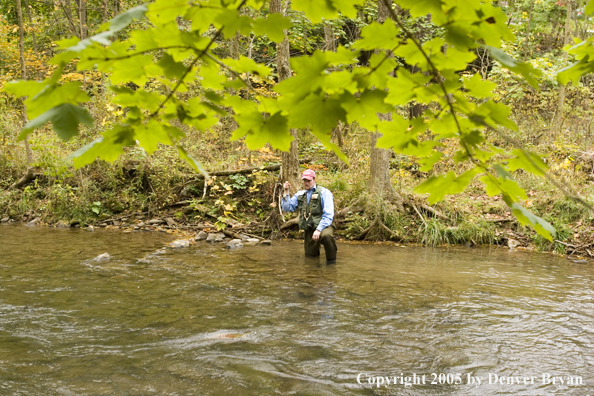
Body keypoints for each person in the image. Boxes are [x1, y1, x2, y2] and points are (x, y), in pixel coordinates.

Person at [281, 169, 337, 264]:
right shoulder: (300, 194)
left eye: (308, 180)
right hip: (310, 227)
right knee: (310, 258)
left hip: (324, 225)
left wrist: (318, 230)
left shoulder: (324, 192)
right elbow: (287, 208)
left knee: (326, 236)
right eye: (304, 180)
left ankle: (331, 263)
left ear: (314, 179)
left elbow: (328, 214)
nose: (306, 183)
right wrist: (286, 191)